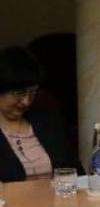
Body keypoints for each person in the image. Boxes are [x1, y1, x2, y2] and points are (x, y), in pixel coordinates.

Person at [0, 46, 83, 182]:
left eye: (32, 92)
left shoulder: (49, 122)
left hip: (57, 195)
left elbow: (76, 173)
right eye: (19, 93)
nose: (26, 101)